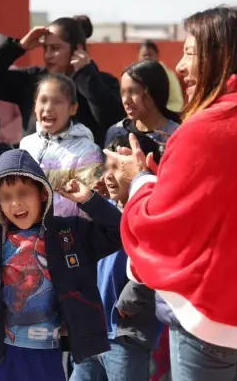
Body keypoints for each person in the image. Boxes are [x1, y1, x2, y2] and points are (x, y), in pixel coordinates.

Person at [104, 6, 237, 381]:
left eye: (189, 53)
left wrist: (137, 180)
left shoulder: (210, 125)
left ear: (222, 56)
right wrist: (160, 176)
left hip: (209, 315)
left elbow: (158, 226)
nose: (180, 67)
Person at [0, 149, 122, 381]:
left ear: (42, 193)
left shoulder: (68, 233)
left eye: (23, 193)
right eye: (6, 197)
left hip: (46, 353)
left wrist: (89, 201)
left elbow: (119, 232)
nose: (16, 203)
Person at [71, 134, 162, 381]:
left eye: (118, 168)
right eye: (106, 168)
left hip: (127, 337)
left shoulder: (151, 213)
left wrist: (132, 299)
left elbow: (157, 263)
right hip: (93, 334)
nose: (108, 175)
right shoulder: (105, 212)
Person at [0, 15, 123, 146]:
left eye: (55, 48)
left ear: (78, 49)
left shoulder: (102, 83)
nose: (48, 55)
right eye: (45, 48)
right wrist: (19, 46)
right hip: (34, 174)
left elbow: (112, 121)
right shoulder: (32, 80)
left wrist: (86, 76)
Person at [20, 74, 103, 217]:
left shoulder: (88, 150)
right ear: (35, 105)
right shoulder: (26, 144)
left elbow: (89, 202)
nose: (48, 108)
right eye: (43, 100)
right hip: (27, 229)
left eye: (57, 101)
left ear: (73, 109)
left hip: (68, 232)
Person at [105, 60, 180, 149]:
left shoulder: (177, 134)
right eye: (123, 93)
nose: (126, 100)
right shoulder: (117, 132)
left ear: (154, 91)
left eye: (133, 92)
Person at [139, 40, 185, 111]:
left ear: (157, 56)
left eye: (150, 55)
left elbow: (177, 102)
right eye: (144, 55)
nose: (146, 58)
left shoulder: (167, 74)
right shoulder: (136, 76)